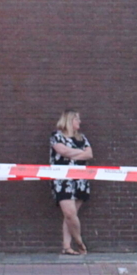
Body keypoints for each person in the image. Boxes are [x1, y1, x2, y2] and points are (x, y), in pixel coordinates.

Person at [50, 109, 93, 255]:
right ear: (69, 120)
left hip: (80, 179)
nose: (79, 122)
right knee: (69, 213)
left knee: (71, 214)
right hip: (62, 180)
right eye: (77, 119)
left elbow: (90, 154)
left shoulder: (82, 137)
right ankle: (80, 242)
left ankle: (67, 246)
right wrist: (80, 154)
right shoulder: (56, 136)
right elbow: (63, 152)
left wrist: (73, 153)